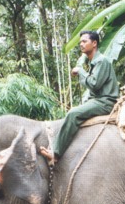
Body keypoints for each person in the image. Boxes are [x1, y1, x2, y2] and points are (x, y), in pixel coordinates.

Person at [40, 30, 119, 164]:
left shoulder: (102, 61)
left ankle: (56, 154)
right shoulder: (94, 62)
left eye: (84, 41)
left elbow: (94, 84)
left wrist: (80, 71)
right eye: (80, 42)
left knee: (73, 113)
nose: (81, 44)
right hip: (98, 100)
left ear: (94, 43)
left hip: (106, 101)